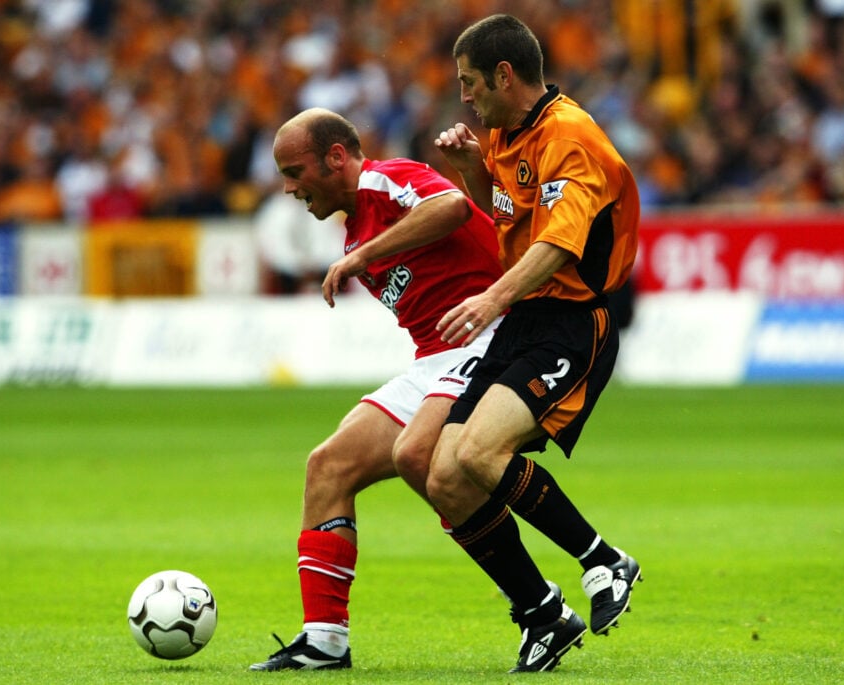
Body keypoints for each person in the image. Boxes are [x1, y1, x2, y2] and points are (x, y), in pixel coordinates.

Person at [249, 108, 504, 671]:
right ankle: (324, 640)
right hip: (435, 359)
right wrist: (362, 249)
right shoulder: (353, 229)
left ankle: (535, 598)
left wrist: (366, 254)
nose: (288, 188)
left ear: (336, 157)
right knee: (328, 465)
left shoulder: (383, 183)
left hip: (489, 335)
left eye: (294, 171)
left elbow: (453, 205)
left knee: (419, 456)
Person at [427, 14, 643, 672]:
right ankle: (543, 614)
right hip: (525, 314)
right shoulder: (504, 134)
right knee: (445, 477)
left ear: (504, 74)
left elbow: (559, 243)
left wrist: (491, 297)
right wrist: (472, 170)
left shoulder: (570, 136)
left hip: (574, 317)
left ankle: (605, 561)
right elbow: (510, 222)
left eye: (469, 82)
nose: (463, 96)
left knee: (480, 451)